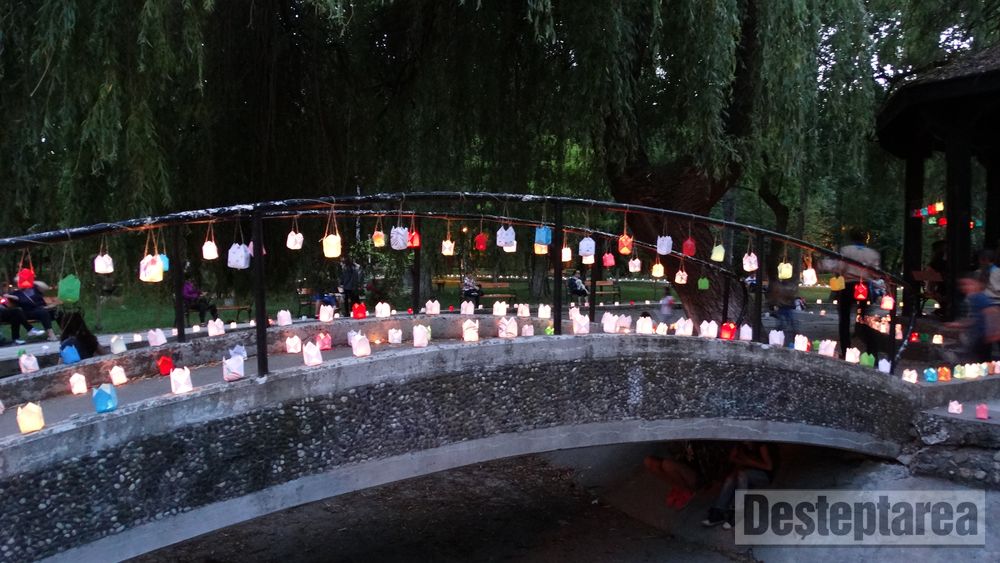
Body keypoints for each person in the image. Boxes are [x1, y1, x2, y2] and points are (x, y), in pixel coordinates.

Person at [830, 229, 881, 357]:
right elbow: (876, 273)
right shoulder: (872, 253)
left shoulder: (846, 251)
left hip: (848, 285)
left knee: (845, 319)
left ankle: (846, 350)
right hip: (865, 286)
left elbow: (840, 268)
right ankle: (871, 350)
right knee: (865, 318)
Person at [702, 442, 774, 529]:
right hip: (747, 472)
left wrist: (748, 462)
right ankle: (719, 511)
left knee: (742, 475)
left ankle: (737, 513)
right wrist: (744, 462)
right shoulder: (740, 443)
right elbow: (731, 458)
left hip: (764, 475)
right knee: (730, 479)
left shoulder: (761, 444)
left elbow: (769, 467)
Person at [944, 273, 1000, 363]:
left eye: (969, 284)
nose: (965, 287)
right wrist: (958, 324)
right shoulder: (971, 298)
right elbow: (973, 319)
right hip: (976, 335)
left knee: (982, 358)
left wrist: (993, 331)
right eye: (963, 285)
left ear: (979, 285)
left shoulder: (979, 297)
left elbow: (992, 311)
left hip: (983, 336)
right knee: (978, 357)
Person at [3, 276, 58, 341]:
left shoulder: (34, 288)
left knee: (59, 313)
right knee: (43, 312)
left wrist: (31, 281)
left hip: (43, 309)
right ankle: (51, 335)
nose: (20, 283)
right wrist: (9, 296)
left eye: (21, 280)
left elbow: (46, 287)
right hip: (29, 312)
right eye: (18, 282)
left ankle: (66, 333)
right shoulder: (16, 293)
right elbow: (13, 299)